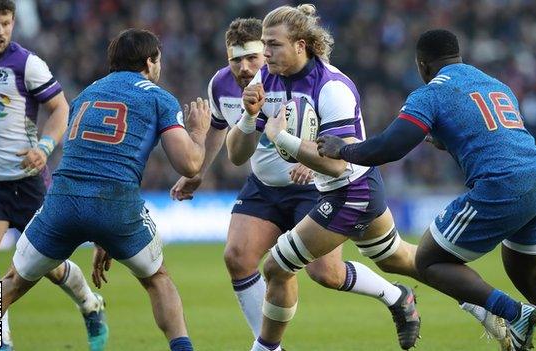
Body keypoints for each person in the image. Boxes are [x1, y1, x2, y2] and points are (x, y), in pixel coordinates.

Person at [317, 29, 536, 351]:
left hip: (502, 185)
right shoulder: (493, 83)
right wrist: (449, 141)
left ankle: (513, 313)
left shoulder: (430, 93)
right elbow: (498, 136)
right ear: (457, 56)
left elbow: (392, 146)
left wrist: (343, 150)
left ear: (422, 64)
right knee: (530, 277)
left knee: (429, 261)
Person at [170, 17, 418, 343]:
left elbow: (328, 139)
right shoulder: (223, 85)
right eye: (235, 60)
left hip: (313, 187)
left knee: (325, 273)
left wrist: (311, 159)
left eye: (254, 56)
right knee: (238, 257)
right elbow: (223, 133)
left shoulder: (292, 79)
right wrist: (198, 172)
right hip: (264, 185)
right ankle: (268, 344)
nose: (245, 67)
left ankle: (395, 296)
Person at [0, 28, 210, 351]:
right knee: (157, 279)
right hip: (116, 203)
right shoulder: (157, 97)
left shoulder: (86, 94)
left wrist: (100, 235)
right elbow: (190, 165)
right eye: (159, 61)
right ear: (151, 62)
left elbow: (89, 162)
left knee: (8, 284)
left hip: (62, 201)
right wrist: (199, 133)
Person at [0, 1, 107, 350]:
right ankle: (0, 338)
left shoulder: (26, 64)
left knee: (49, 267)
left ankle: (90, 302)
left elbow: (60, 108)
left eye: (5, 24)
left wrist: (43, 147)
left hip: (28, 183)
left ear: (13, 24)